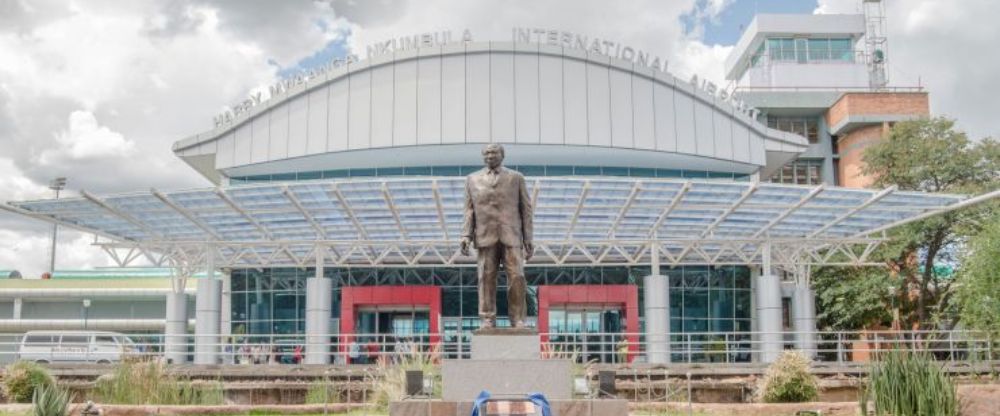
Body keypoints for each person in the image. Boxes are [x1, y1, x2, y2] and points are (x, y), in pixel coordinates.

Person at [460, 144, 534, 328]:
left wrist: (528, 238)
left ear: (502, 155)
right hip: (485, 236)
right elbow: (469, 211)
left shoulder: (516, 178)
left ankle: (517, 319)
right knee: (485, 278)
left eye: (494, 152)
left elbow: (526, 210)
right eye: (486, 153)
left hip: (512, 235)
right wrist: (466, 235)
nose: (490, 156)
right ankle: (487, 318)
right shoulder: (472, 179)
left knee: (517, 277)